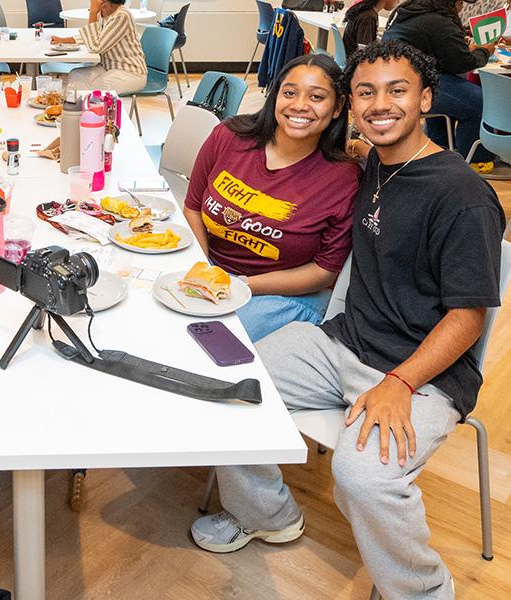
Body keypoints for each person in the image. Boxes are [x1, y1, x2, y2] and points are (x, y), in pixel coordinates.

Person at [191, 41, 505, 600]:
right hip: (341, 344)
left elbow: (468, 317)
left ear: (427, 98)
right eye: (366, 92)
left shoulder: (462, 195)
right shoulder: (370, 168)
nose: (380, 104)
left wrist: (401, 382)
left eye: (397, 90)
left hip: (423, 374)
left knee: (363, 476)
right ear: (351, 107)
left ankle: (423, 591)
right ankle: (268, 514)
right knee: (223, 389)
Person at [183, 53, 360, 342]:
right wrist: (203, 269)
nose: (300, 105)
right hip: (213, 271)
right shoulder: (228, 137)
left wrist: (242, 285)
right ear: (276, 95)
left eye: (317, 97)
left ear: (338, 106)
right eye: (289, 92)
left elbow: (324, 272)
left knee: (207, 339)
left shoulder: (344, 179)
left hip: (282, 294)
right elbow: (192, 208)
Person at [382, 0, 498, 172]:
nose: (461, 7)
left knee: (449, 89)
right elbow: (461, 63)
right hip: (414, 87)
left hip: (395, 81)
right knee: (479, 103)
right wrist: (484, 51)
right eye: (460, 3)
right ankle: (475, 160)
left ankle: (439, 148)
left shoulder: (412, 11)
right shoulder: (439, 20)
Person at [50, 0, 147, 95]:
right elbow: (93, 37)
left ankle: (84, 107)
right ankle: (77, 106)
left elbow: (96, 47)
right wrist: (63, 40)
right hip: (108, 67)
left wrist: (93, 13)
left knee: (93, 89)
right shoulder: (105, 14)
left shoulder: (122, 16)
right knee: (76, 74)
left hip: (131, 72)